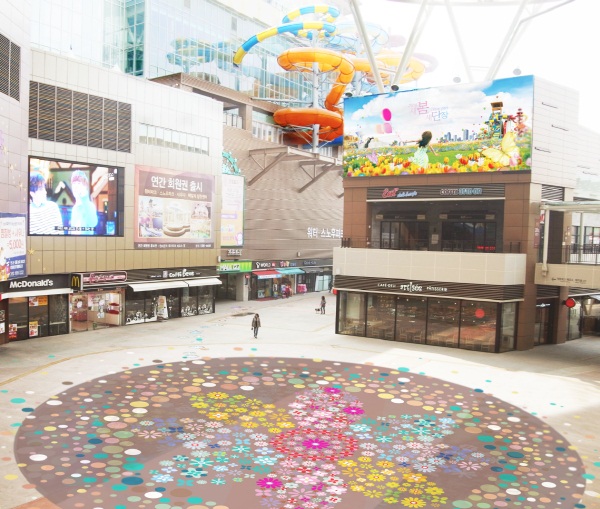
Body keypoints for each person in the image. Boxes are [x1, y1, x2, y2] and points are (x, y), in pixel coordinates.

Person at [69, 170, 98, 235]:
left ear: (85, 186)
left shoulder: (90, 206)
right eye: (74, 183)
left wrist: (84, 198)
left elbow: (93, 223)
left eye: (79, 183)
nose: (75, 186)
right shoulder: (74, 208)